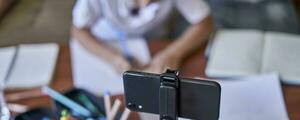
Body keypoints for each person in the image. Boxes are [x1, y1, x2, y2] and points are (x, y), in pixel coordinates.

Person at [71, 0, 213, 75]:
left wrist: (174, 53)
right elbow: (78, 30)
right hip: (105, 42)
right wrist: (112, 58)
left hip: (155, 44)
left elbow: (205, 23)